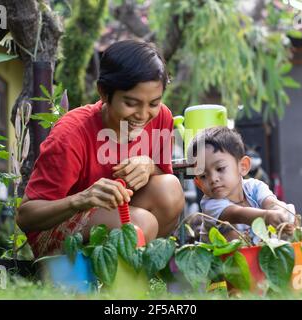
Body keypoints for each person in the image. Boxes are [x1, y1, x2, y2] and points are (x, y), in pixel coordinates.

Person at [17, 40, 185, 257]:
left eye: (153, 103)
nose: (143, 115)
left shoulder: (162, 117)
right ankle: (77, 278)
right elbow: (26, 218)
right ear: (104, 93)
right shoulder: (72, 134)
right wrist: (81, 199)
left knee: (169, 188)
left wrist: (150, 166)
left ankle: (135, 274)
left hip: (115, 214)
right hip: (56, 233)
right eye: (131, 103)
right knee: (141, 224)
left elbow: (162, 178)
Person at [187, 126, 295, 243]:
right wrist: (268, 216)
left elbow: (271, 204)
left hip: (257, 256)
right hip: (223, 259)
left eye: (220, 168)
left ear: (243, 166)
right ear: (198, 183)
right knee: (226, 229)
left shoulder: (255, 187)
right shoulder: (210, 204)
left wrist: (281, 215)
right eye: (203, 176)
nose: (213, 179)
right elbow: (238, 214)